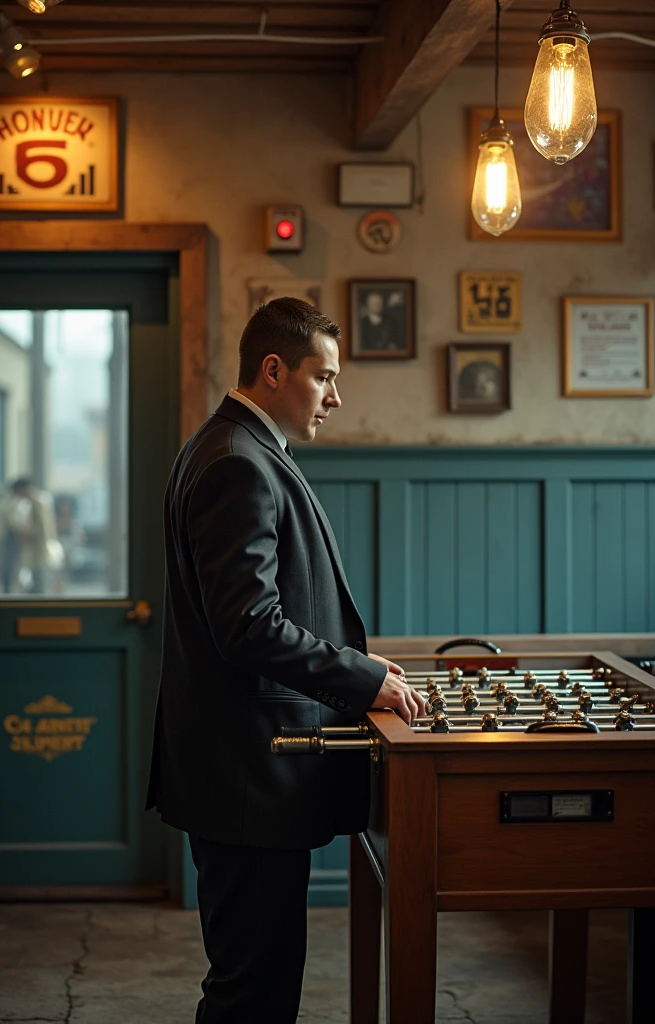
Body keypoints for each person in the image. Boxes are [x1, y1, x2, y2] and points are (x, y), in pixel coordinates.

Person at [146, 297, 426, 1024]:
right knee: (252, 993)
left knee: (260, 984)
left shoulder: (236, 446)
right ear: (274, 370)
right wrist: (362, 678)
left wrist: (363, 667)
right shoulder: (236, 460)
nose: (335, 396)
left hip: (247, 776)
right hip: (247, 779)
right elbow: (250, 626)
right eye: (322, 377)